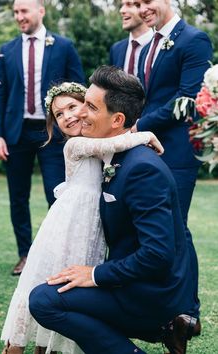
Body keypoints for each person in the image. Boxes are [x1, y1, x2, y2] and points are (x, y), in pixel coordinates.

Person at [29, 66, 201, 354]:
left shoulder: (142, 169)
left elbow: (158, 253)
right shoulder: (114, 154)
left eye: (90, 107)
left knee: (44, 301)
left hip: (150, 296)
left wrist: (95, 275)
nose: (80, 113)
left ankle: (162, 328)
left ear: (117, 119)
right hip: (133, 284)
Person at [1, 81, 162, 354]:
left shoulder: (99, 142)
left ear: (88, 107)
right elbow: (120, 140)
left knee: (68, 287)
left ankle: (48, 347)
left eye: (72, 107)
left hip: (90, 229)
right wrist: (146, 135)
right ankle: (14, 347)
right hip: (65, 226)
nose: (67, 117)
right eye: (59, 115)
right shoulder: (75, 145)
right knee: (43, 279)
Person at [131, 0, 213, 320]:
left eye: (146, 1)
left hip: (178, 151)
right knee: (155, 228)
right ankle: (160, 303)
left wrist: (141, 125)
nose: (142, 8)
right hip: (148, 149)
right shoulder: (148, 45)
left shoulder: (194, 39)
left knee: (178, 228)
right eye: (136, 4)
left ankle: (189, 312)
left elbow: (187, 101)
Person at [0, 0, 85, 276]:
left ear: (40, 11)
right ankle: (25, 255)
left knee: (57, 195)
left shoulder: (64, 46)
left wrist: (76, 128)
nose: (20, 16)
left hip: (51, 132)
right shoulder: (6, 51)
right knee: (17, 197)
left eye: (24, 11)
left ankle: (57, 255)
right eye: (16, 12)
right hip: (15, 133)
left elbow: (78, 90)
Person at [109, 0, 153, 76]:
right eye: (122, 5)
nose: (121, 10)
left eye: (129, 4)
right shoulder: (116, 49)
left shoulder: (159, 46)